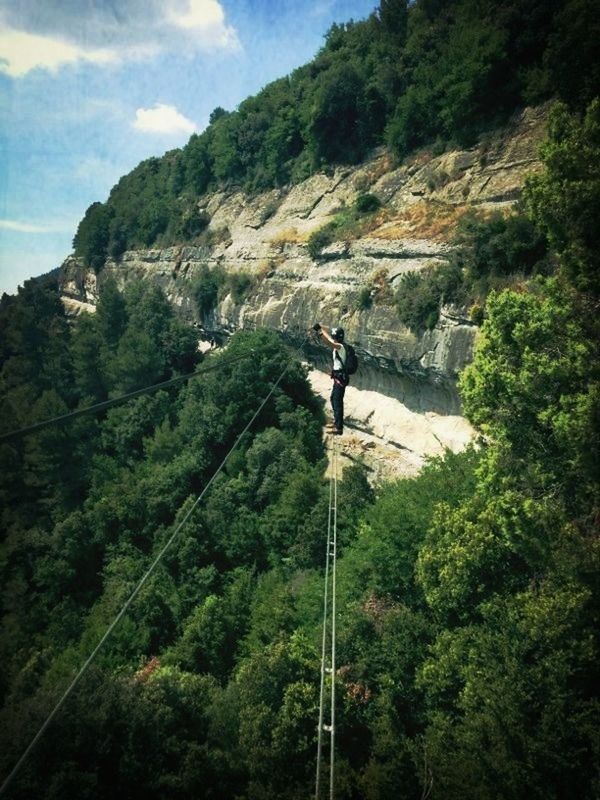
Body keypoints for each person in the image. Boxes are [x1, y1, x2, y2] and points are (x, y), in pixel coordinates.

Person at [313, 323, 347, 435]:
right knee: (333, 399)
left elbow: (328, 342)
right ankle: (337, 423)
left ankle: (339, 427)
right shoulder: (338, 345)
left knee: (337, 401)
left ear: (337, 338)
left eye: (334, 336)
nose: (333, 338)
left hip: (340, 379)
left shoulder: (340, 347)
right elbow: (329, 338)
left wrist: (319, 331)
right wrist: (321, 326)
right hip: (338, 377)